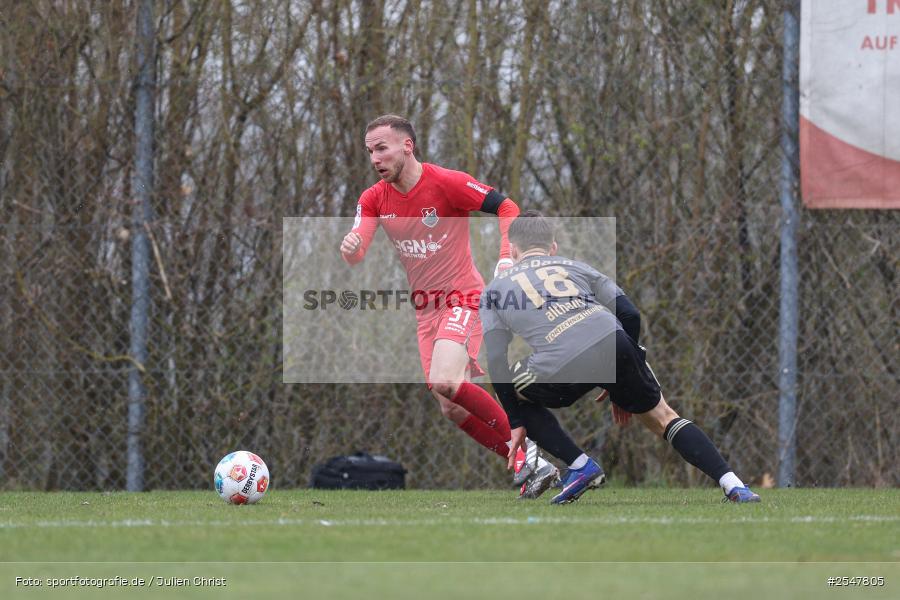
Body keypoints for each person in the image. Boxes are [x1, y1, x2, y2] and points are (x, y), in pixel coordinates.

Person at [340, 115, 557, 497]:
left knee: (445, 380)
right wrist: (351, 247)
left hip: (464, 296)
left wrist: (505, 256)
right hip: (426, 310)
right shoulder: (373, 198)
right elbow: (357, 251)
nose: (375, 158)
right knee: (451, 407)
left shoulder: (446, 183)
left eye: (382, 148)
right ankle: (529, 465)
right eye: (370, 151)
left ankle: (529, 447)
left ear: (407, 146)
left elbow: (508, 207)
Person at [480, 210, 761, 504]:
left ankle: (579, 466)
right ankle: (734, 485)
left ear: (512, 250)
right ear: (553, 247)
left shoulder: (494, 291)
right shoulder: (576, 267)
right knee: (663, 417)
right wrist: (621, 374)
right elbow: (630, 314)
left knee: (509, 387)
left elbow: (496, 360)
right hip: (613, 340)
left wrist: (515, 421)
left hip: (562, 358)